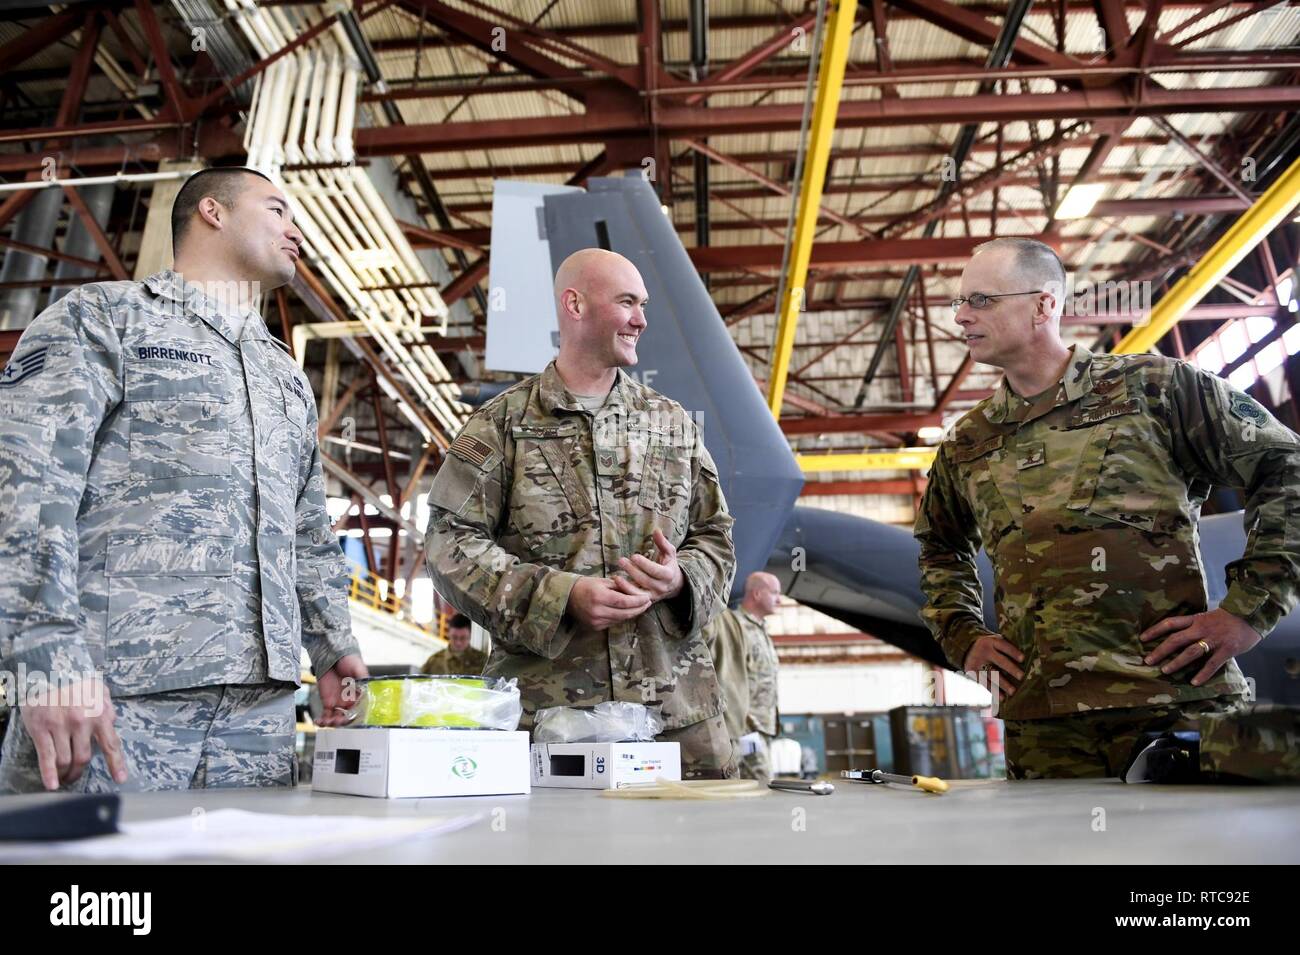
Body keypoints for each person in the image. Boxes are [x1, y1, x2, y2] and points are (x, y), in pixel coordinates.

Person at [0, 166, 367, 792]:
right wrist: (44, 658)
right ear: (212, 212)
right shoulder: (106, 318)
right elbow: (26, 487)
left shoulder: (286, 377)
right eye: (278, 209)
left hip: (259, 711)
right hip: (111, 690)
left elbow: (306, 533)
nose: (296, 230)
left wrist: (333, 647)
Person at [915, 236, 1300, 779]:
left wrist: (1249, 610)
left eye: (981, 300)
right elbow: (939, 546)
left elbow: (1286, 466)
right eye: (959, 302)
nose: (961, 317)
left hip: (1173, 705)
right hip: (1045, 729)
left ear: (1043, 305)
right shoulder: (968, 442)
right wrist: (963, 635)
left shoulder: (1154, 390)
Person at [424, 248, 738, 778]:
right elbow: (448, 546)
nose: (641, 319)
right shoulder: (500, 425)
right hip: (547, 718)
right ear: (575, 304)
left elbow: (716, 538)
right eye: (626, 303)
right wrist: (560, 596)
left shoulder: (671, 424)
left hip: (675, 716)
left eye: (643, 305)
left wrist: (678, 580)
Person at [704, 572, 782, 781]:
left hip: (762, 725)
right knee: (760, 782)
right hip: (744, 726)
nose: (779, 599)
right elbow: (726, 676)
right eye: (774, 592)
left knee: (752, 784)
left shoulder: (760, 629)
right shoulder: (734, 627)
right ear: (757, 593)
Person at [420, 614, 487, 675]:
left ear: (470, 636)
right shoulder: (433, 662)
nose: (458, 642)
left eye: (463, 638)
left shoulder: (483, 661)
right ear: (449, 634)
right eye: (454, 637)